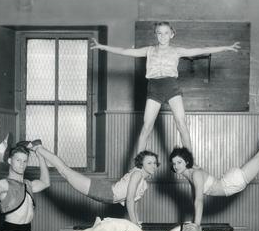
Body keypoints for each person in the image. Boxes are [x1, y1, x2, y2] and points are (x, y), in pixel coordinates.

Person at [91, 22, 241, 152]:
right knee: (147, 126)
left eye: (166, 33)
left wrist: (226, 47)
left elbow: (201, 50)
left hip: (171, 86)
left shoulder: (177, 51)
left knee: (181, 123)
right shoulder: (148, 50)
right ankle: (137, 164)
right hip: (154, 87)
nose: (162, 36)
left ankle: (190, 161)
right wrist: (102, 47)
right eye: (159, 33)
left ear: (172, 35)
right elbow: (125, 51)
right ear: (155, 35)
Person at [169, 114, 259, 225]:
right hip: (229, 181)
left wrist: (196, 226)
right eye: (174, 164)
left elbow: (199, 200)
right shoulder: (191, 170)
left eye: (179, 162)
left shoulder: (195, 174)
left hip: (232, 183)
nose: (176, 166)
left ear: (186, 161)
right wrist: (181, 125)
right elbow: (186, 142)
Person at [35, 146, 159, 226]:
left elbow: (134, 202)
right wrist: (134, 223)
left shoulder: (144, 183)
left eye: (154, 163)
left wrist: (136, 221)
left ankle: (39, 150)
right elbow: (130, 199)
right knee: (65, 172)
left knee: (65, 172)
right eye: (149, 163)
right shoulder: (137, 174)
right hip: (103, 191)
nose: (153, 165)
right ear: (141, 164)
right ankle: (38, 148)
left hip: (106, 192)